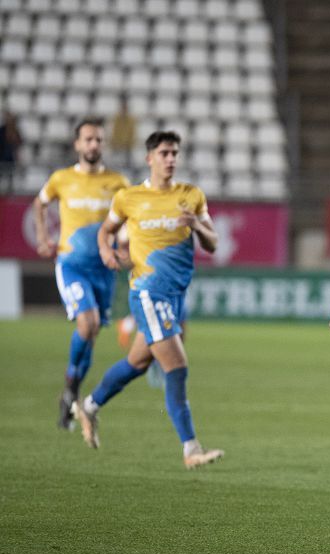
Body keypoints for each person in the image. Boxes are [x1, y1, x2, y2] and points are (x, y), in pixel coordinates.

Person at [73, 130, 225, 469]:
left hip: (174, 296)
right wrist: (106, 252)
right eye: (164, 153)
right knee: (177, 367)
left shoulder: (191, 196)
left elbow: (213, 243)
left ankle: (90, 406)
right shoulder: (129, 198)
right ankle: (191, 449)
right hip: (147, 293)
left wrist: (196, 227)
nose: (171, 159)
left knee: (137, 363)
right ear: (150, 158)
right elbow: (106, 231)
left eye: (175, 153)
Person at [33, 118, 130, 430]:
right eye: (88, 139)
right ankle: (72, 392)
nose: (93, 145)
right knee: (86, 324)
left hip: (104, 269)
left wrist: (125, 246)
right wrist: (43, 238)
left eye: (98, 140)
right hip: (72, 264)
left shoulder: (118, 182)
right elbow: (40, 203)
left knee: (91, 336)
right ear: (77, 144)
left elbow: (130, 218)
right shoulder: (61, 179)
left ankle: (69, 392)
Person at [108, 94, 136, 172]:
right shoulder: (116, 119)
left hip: (127, 148)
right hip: (117, 147)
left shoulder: (131, 120)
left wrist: (127, 144)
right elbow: (114, 133)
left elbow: (132, 135)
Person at [0, 109, 23, 192]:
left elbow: (19, 142)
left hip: (11, 158)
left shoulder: (15, 130)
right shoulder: (2, 130)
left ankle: (10, 191)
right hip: (2, 157)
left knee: (10, 178)